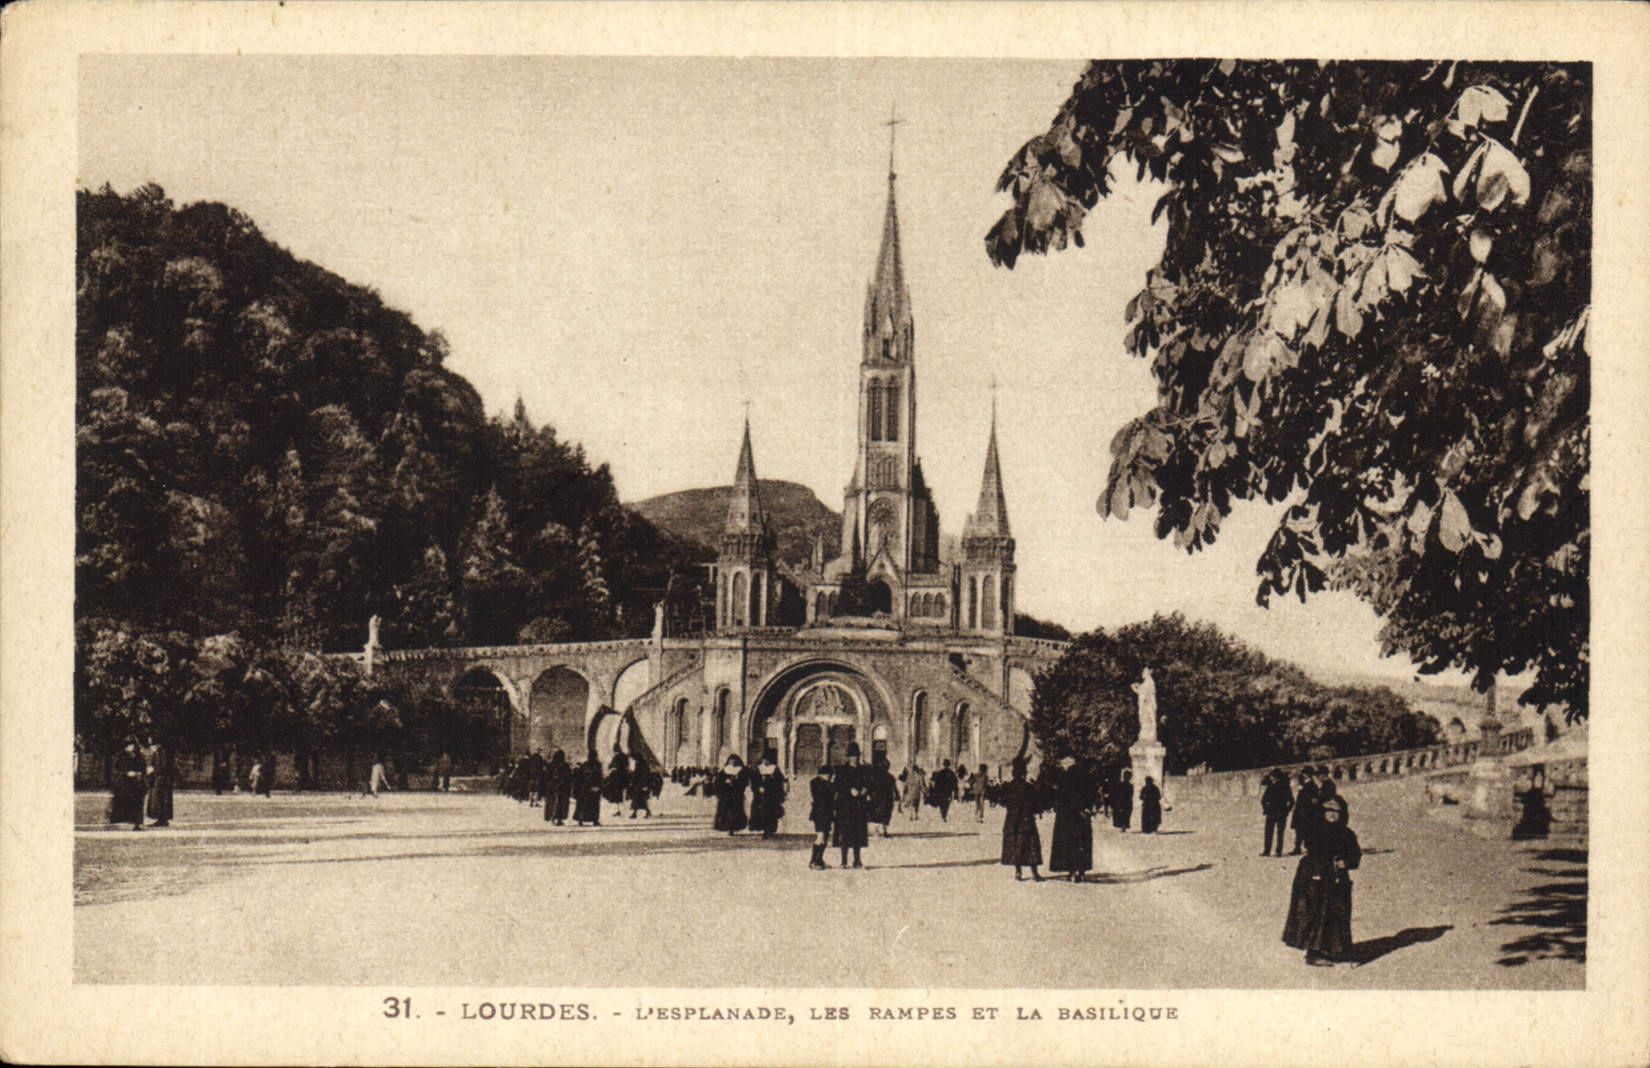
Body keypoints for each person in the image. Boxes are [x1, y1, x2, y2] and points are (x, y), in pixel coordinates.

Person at [1282, 794, 1362, 965]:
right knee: (1316, 912)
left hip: (1337, 878)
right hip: (1315, 876)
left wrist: (1345, 862)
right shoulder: (1314, 829)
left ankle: (1334, 949)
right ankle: (1314, 953)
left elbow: (1355, 856)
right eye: (1329, 810)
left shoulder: (1347, 833)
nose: (1332, 814)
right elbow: (1314, 851)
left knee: (1337, 913)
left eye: (1337, 811)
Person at [1047, 754, 1094, 882]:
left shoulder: (1063, 777)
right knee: (1082, 842)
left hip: (1067, 816)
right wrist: (1087, 808)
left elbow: (1059, 796)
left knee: (1069, 843)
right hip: (1082, 814)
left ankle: (1072, 871)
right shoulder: (1085, 775)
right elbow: (1091, 793)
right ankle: (1082, 871)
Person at [998, 758, 1044, 881]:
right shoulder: (1028, 787)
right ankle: (1035, 873)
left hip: (1012, 820)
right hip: (1026, 819)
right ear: (1024, 773)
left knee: (1016, 845)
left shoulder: (1008, 787)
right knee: (1031, 845)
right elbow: (1036, 803)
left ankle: (1018, 872)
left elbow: (1002, 801)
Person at [832, 742, 871, 868]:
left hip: (859, 806)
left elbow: (870, 782)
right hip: (846, 806)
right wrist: (849, 790)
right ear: (848, 757)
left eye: (856, 756)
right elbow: (837, 786)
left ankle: (857, 860)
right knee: (845, 833)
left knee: (858, 834)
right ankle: (843, 861)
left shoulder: (864, 769)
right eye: (852, 756)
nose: (855, 758)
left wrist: (866, 789)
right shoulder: (841, 769)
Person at [109, 737, 147, 831]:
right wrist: (126, 773)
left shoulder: (139, 755)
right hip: (125, 784)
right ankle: (126, 822)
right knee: (124, 803)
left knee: (138, 803)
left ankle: (137, 823)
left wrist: (139, 774)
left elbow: (143, 768)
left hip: (137, 783)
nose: (131, 747)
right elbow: (115, 770)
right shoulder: (120, 756)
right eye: (129, 746)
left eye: (132, 745)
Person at [748, 750, 787, 838]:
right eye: (764, 760)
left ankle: (770, 830)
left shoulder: (775, 768)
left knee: (771, 813)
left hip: (772, 795)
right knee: (761, 812)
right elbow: (754, 780)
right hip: (761, 795)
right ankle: (764, 830)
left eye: (767, 760)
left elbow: (779, 781)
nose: (765, 762)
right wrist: (758, 788)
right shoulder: (758, 769)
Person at [1261, 769, 1295, 856]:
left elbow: (1264, 800)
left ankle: (1268, 851)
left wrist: (1266, 809)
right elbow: (1291, 801)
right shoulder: (1284, 787)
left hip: (1274, 812)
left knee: (1271, 832)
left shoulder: (1274, 787)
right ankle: (1277, 851)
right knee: (1278, 833)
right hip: (1279, 813)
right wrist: (1287, 810)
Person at [712, 754, 749, 835]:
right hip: (726, 793)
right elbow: (718, 782)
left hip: (736, 793)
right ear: (728, 761)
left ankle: (733, 827)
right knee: (726, 811)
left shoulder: (741, 770)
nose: (732, 762)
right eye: (731, 760)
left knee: (735, 811)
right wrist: (725, 783)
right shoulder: (724, 770)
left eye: (734, 760)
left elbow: (745, 782)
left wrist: (736, 783)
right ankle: (727, 827)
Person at [807, 764, 835, 869]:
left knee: (825, 837)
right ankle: (814, 861)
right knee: (821, 837)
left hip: (827, 814)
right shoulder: (817, 783)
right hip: (820, 813)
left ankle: (819, 859)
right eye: (829, 775)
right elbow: (821, 796)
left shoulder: (828, 784)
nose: (830, 777)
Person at [144, 738, 174, 828]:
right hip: (158, 780)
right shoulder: (157, 753)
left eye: (152, 746)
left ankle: (162, 819)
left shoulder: (162, 753)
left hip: (162, 781)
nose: (151, 748)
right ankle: (160, 819)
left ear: (157, 745)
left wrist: (153, 769)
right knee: (158, 801)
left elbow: (164, 767)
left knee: (161, 801)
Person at [1290, 768, 1319, 855]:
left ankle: (1307, 848)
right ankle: (1297, 848)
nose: (1303, 775)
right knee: (1299, 831)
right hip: (1300, 811)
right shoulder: (1304, 784)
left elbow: (1314, 801)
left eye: (1304, 773)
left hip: (1306, 812)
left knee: (1306, 830)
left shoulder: (1312, 785)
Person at [572, 751, 605, 826]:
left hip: (585, 787)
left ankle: (581, 820)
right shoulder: (597, 765)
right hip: (594, 787)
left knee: (583, 805)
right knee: (594, 805)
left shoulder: (585, 765)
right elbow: (599, 776)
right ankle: (595, 820)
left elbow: (580, 777)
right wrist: (599, 786)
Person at [868, 757, 897, 837]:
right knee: (884, 813)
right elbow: (894, 787)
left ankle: (879, 830)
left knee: (881, 813)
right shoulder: (888, 776)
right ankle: (880, 830)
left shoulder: (877, 776)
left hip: (880, 797)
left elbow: (893, 787)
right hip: (882, 797)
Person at [543, 750, 572, 825]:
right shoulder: (565, 765)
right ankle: (558, 818)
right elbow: (569, 776)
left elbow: (546, 776)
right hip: (561, 786)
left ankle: (553, 817)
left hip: (553, 786)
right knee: (560, 803)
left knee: (553, 802)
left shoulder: (551, 765)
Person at [603, 751, 631, 819]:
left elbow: (610, 766)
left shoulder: (615, 760)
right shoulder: (625, 758)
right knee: (622, 795)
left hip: (616, 782)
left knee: (617, 797)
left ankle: (619, 810)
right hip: (624, 780)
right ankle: (622, 811)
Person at [1111, 767, 1134, 833]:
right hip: (1122, 801)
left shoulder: (1130, 785)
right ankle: (1122, 826)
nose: (1127, 777)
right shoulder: (1121, 785)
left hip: (1126, 802)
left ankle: (1123, 826)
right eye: (1126, 776)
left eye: (1128, 776)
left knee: (1126, 814)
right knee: (1122, 814)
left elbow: (1130, 795)